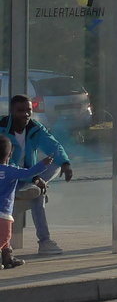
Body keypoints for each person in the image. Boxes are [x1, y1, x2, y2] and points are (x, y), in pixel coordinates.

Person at [0, 94, 73, 255]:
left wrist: (66, 164)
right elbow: (7, 165)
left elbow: (53, 145)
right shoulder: (2, 128)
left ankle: (31, 187)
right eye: (20, 110)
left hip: (29, 176)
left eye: (29, 110)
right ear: (11, 111)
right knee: (37, 196)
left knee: (54, 168)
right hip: (6, 176)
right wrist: (33, 177)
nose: (25, 114)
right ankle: (45, 241)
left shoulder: (34, 127)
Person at [0, 135, 55, 269]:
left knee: (5, 239)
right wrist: (44, 163)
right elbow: (30, 172)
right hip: (4, 213)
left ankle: (7, 259)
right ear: (10, 154)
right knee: (5, 236)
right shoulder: (11, 171)